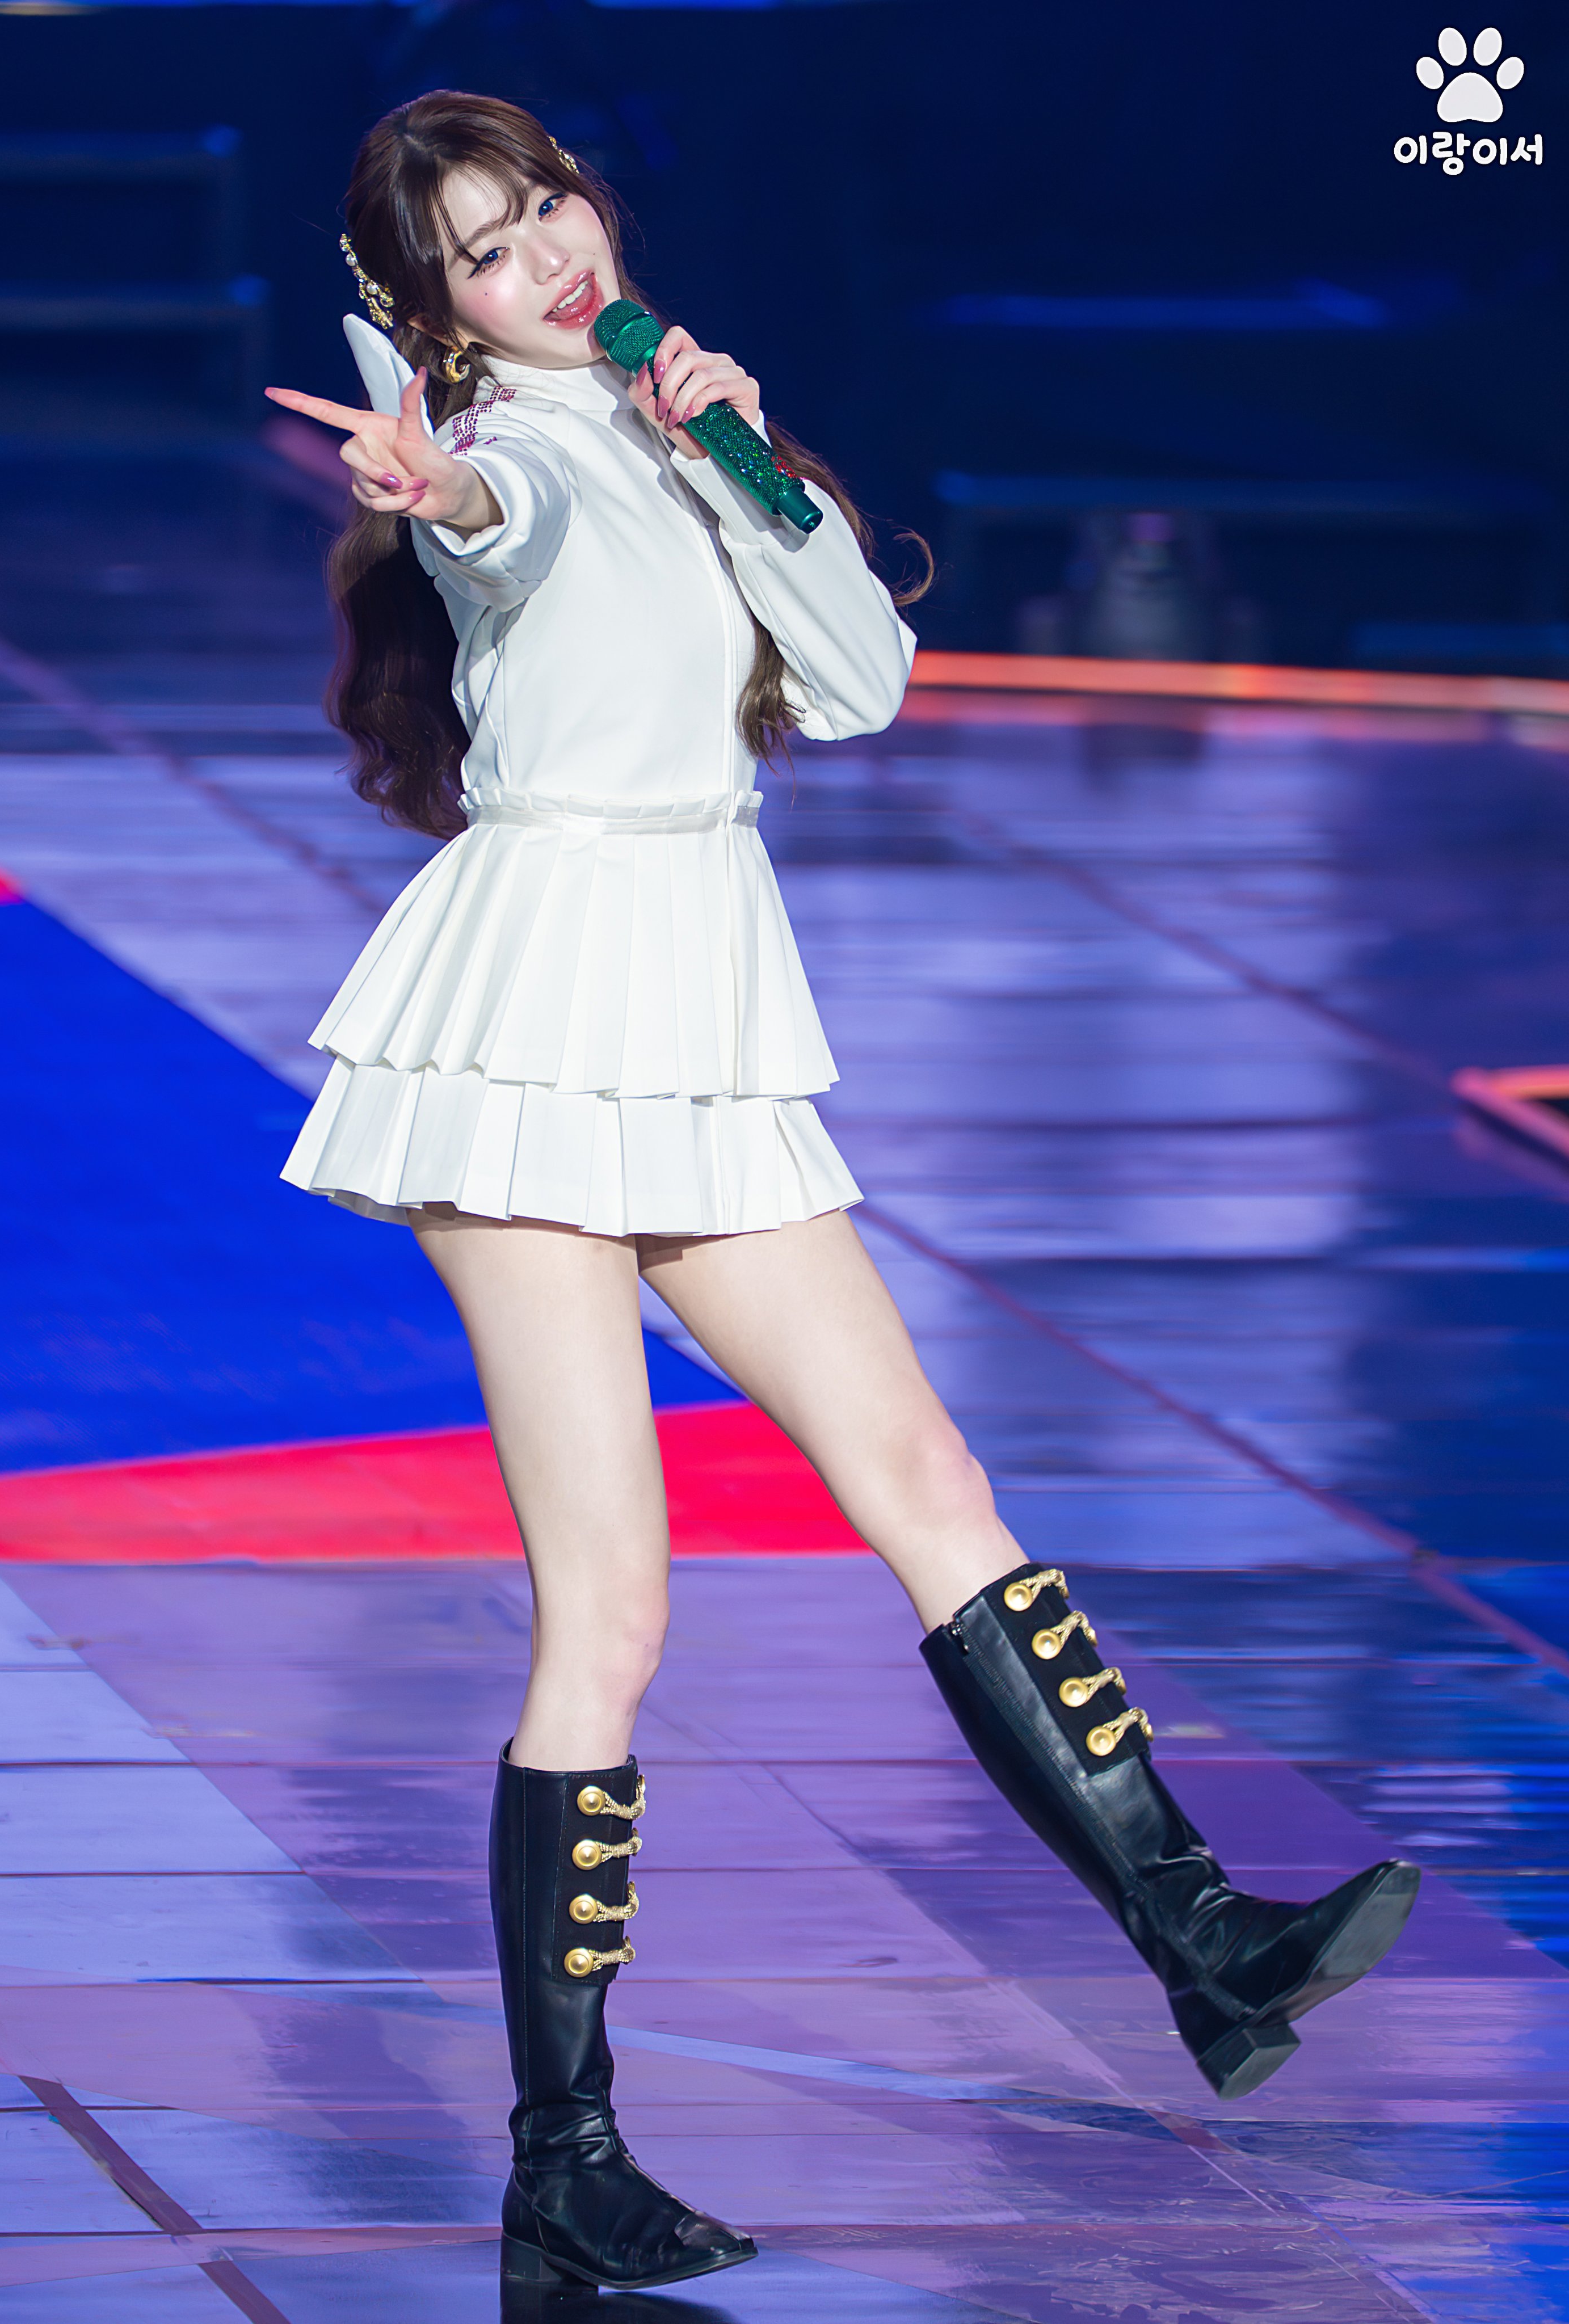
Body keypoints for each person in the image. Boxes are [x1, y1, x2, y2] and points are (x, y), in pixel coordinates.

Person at [266, 89, 1420, 2297]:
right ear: (441, 316)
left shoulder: (677, 424)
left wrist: (736, 453)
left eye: (550, 208)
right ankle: (565, 2156)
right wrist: (445, 485)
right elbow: (495, 522)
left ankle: (1203, 1937)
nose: (548, 257)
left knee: (928, 1474)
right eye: (488, 252)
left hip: (702, 1004)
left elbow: (867, 682)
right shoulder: (501, 445)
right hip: (538, 1018)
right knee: (612, 1606)